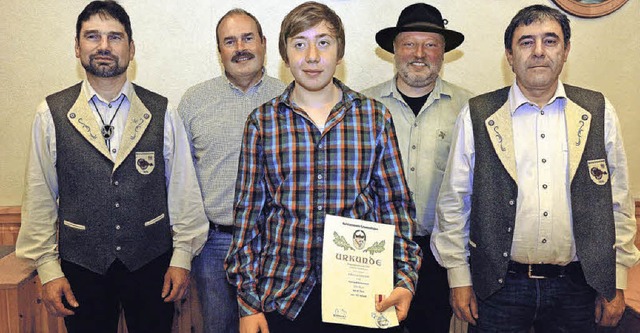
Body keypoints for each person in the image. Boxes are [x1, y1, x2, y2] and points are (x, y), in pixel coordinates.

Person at [431, 4, 640, 332]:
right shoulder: (478, 114)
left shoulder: (597, 111)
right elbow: (454, 204)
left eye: (550, 41)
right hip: (499, 289)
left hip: (578, 287)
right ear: (510, 56)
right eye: (526, 42)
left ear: (566, 50)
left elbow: (619, 203)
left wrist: (615, 280)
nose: (539, 51)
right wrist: (459, 278)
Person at [224, 2, 421, 332]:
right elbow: (248, 218)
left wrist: (405, 277)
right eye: (299, 44)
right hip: (283, 296)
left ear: (339, 52)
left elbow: (394, 207)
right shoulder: (262, 123)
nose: (312, 56)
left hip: (361, 297)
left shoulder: (373, 118)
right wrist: (248, 304)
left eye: (324, 42)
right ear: (285, 56)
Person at [15, 1, 208, 332]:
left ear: (131, 49)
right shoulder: (50, 114)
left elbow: (183, 190)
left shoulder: (163, 111)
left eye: (114, 37)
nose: (104, 46)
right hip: (80, 267)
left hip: (152, 266)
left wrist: (182, 257)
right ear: (77, 47)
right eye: (93, 36)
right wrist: (48, 268)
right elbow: (39, 194)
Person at [363, 4, 472, 332]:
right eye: (409, 44)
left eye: (431, 44)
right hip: (373, 253)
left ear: (444, 53)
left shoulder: (469, 110)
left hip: (438, 256)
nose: (419, 54)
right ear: (394, 50)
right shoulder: (361, 107)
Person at [177, 8, 285, 333]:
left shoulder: (290, 99)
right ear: (220, 51)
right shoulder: (194, 101)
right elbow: (180, 179)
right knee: (218, 327)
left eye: (248, 38)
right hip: (214, 245)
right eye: (230, 41)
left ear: (264, 43)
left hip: (275, 243)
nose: (240, 47)